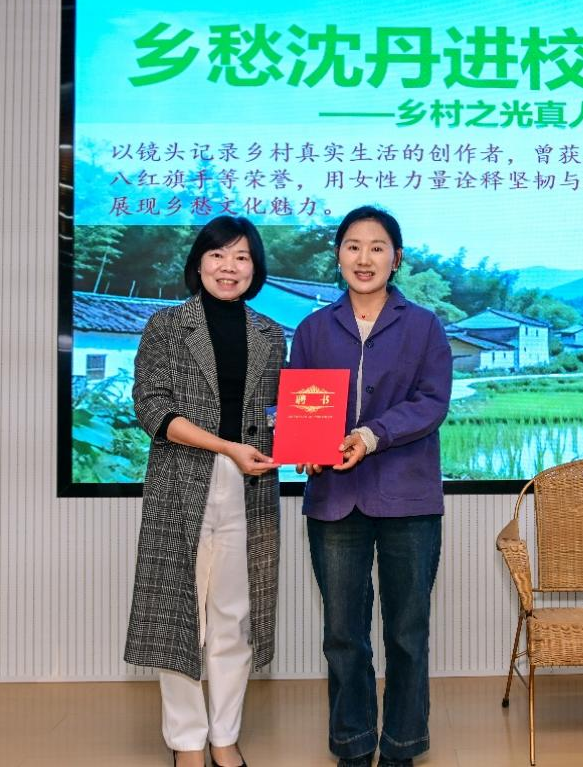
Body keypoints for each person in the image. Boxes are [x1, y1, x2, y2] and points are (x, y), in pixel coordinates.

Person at [289, 205, 453, 767]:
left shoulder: (425, 325)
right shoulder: (313, 329)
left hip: (408, 497)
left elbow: (432, 403)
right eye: (353, 246)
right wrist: (307, 448)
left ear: (396, 258)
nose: (365, 258)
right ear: (338, 255)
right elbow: (304, 405)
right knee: (343, 635)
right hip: (335, 500)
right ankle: (353, 746)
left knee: (406, 632)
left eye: (377, 247)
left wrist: (370, 435)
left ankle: (402, 747)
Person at [125, 216, 285, 767]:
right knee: (179, 616)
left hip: (251, 489)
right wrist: (226, 447)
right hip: (182, 485)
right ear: (198, 263)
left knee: (234, 620)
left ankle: (224, 735)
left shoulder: (271, 334)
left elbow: (278, 413)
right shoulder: (167, 326)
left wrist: (303, 441)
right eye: (218, 255)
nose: (229, 267)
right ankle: (187, 741)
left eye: (242, 257)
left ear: (255, 269)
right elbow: (151, 408)